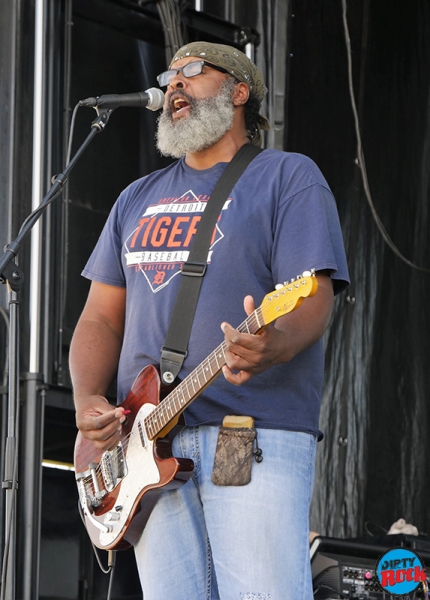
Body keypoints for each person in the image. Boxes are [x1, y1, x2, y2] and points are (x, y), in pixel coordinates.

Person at [70, 41, 349, 600]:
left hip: (248, 435)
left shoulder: (288, 177)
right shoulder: (135, 199)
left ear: (239, 92)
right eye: (168, 75)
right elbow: (100, 318)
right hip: (147, 447)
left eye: (191, 72)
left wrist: (276, 344)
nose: (174, 84)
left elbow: (314, 294)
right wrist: (87, 403)